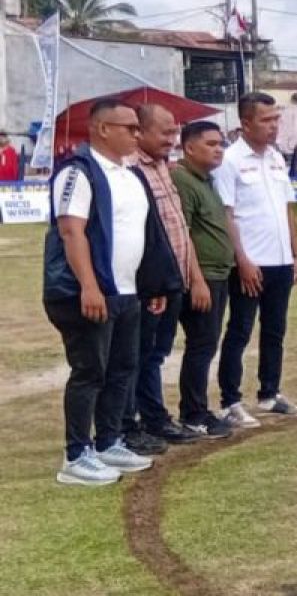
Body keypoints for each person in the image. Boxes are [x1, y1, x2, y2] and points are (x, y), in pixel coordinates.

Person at [43, 100, 181, 485]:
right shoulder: (78, 172)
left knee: (123, 368)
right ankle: (76, 455)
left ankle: (108, 441)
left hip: (127, 291)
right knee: (90, 371)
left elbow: (144, 233)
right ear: (103, 129)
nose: (137, 134)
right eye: (130, 128)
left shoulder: (131, 175)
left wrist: (152, 284)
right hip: (88, 292)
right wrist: (89, 286)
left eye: (138, 128)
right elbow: (71, 231)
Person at [214, 92, 297, 427]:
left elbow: (288, 208)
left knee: (275, 330)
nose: (273, 126)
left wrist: (296, 253)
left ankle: (270, 393)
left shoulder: (276, 158)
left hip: (280, 260)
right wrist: (242, 260)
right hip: (250, 262)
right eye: (266, 120)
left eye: (276, 119)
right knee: (240, 330)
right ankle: (230, 401)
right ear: (245, 122)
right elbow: (226, 214)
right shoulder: (229, 160)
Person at [125, 104, 204, 451]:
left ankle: (153, 418)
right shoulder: (130, 170)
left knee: (155, 354)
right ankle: (135, 424)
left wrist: (192, 276)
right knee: (138, 355)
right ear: (139, 132)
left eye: (174, 132)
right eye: (165, 132)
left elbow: (179, 227)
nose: (172, 139)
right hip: (149, 283)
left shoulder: (163, 167)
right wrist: (152, 282)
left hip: (173, 278)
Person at [171, 121, 236, 439]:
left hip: (218, 274)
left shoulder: (207, 179)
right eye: (211, 144)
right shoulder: (182, 180)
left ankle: (197, 408)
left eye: (221, 144)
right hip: (203, 276)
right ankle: (193, 413)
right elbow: (182, 234)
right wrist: (196, 280)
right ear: (189, 147)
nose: (218, 150)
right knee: (201, 344)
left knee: (207, 344)